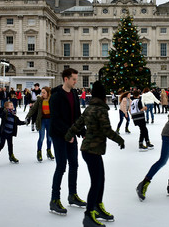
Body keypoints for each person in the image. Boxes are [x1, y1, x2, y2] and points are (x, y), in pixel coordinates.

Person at [65, 81, 125, 227]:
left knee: (100, 179)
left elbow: (77, 124)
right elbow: (106, 130)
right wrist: (119, 139)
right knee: (96, 182)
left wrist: (68, 135)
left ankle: (97, 207)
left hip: (90, 150)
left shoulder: (89, 108)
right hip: (92, 150)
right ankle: (89, 215)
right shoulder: (100, 110)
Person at [49, 68, 86, 215]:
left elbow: (77, 116)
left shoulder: (74, 94)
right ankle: (54, 199)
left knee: (74, 165)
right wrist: (68, 133)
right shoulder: (56, 96)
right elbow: (55, 119)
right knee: (61, 166)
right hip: (59, 136)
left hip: (71, 135)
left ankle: (72, 195)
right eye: (74, 79)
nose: (76, 82)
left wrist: (83, 132)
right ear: (66, 79)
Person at [0, 101, 26, 166]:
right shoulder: (5, 113)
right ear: (7, 107)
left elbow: (18, 122)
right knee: (1, 145)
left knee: (10, 145)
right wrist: (1, 109)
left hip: (10, 132)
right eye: (11, 105)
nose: (13, 106)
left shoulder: (13, 115)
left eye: (13, 105)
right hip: (3, 132)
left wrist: (25, 122)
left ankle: (11, 156)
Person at [26, 86, 54, 162]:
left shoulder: (52, 99)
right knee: (41, 137)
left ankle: (49, 151)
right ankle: (39, 152)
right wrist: (28, 116)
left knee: (49, 138)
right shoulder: (39, 100)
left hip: (50, 121)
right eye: (42, 92)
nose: (42, 94)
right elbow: (34, 109)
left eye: (44, 92)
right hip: (42, 121)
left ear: (48, 93)